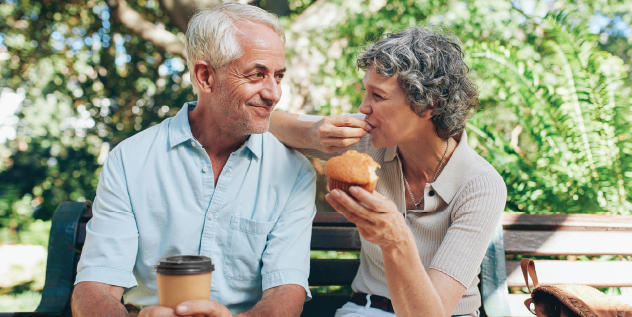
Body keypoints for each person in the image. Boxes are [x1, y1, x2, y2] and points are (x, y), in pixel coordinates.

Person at [71, 3, 316, 317]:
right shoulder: (129, 161)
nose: (274, 93)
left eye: (278, 76)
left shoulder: (293, 172)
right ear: (205, 77)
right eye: (257, 75)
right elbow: (96, 287)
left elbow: (285, 292)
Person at [270, 27, 506, 317]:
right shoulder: (365, 141)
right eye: (365, 92)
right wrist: (312, 134)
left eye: (378, 96)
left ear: (427, 104)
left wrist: (395, 237)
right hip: (365, 310)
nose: (362, 107)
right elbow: (269, 123)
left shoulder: (481, 185)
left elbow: (431, 313)